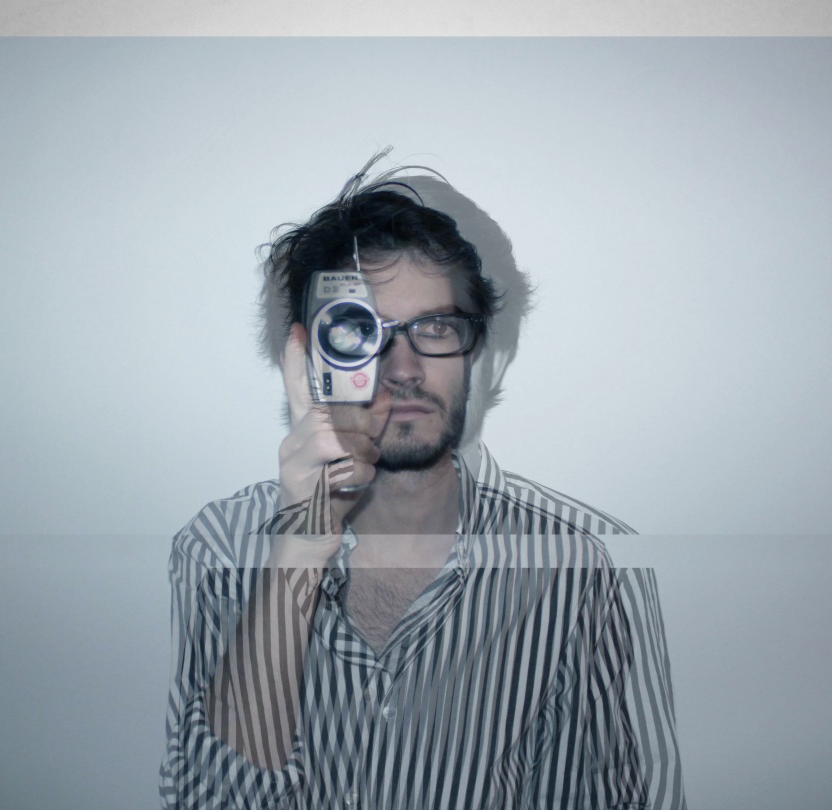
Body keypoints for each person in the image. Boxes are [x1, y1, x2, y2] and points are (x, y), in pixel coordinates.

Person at [160, 152, 686, 809]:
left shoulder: (579, 565)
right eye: (360, 331)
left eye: (435, 328)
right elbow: (208, 801)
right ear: (304, 355)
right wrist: (299, 547)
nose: (403, 368)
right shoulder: (218, 548)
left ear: (479, 351)